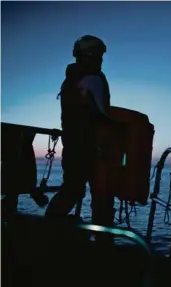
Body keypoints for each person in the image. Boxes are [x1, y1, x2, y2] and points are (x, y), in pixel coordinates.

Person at [45, 35, 115, 241]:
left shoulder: (73, 79)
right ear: (88, 56)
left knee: (75, 191)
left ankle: (47, 229)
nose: (101, 60)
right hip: (88, 148)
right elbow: (103, 114)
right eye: (99, 55)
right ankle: (103, 246)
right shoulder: (91, 79)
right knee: (96, 196)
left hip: (79, 146)